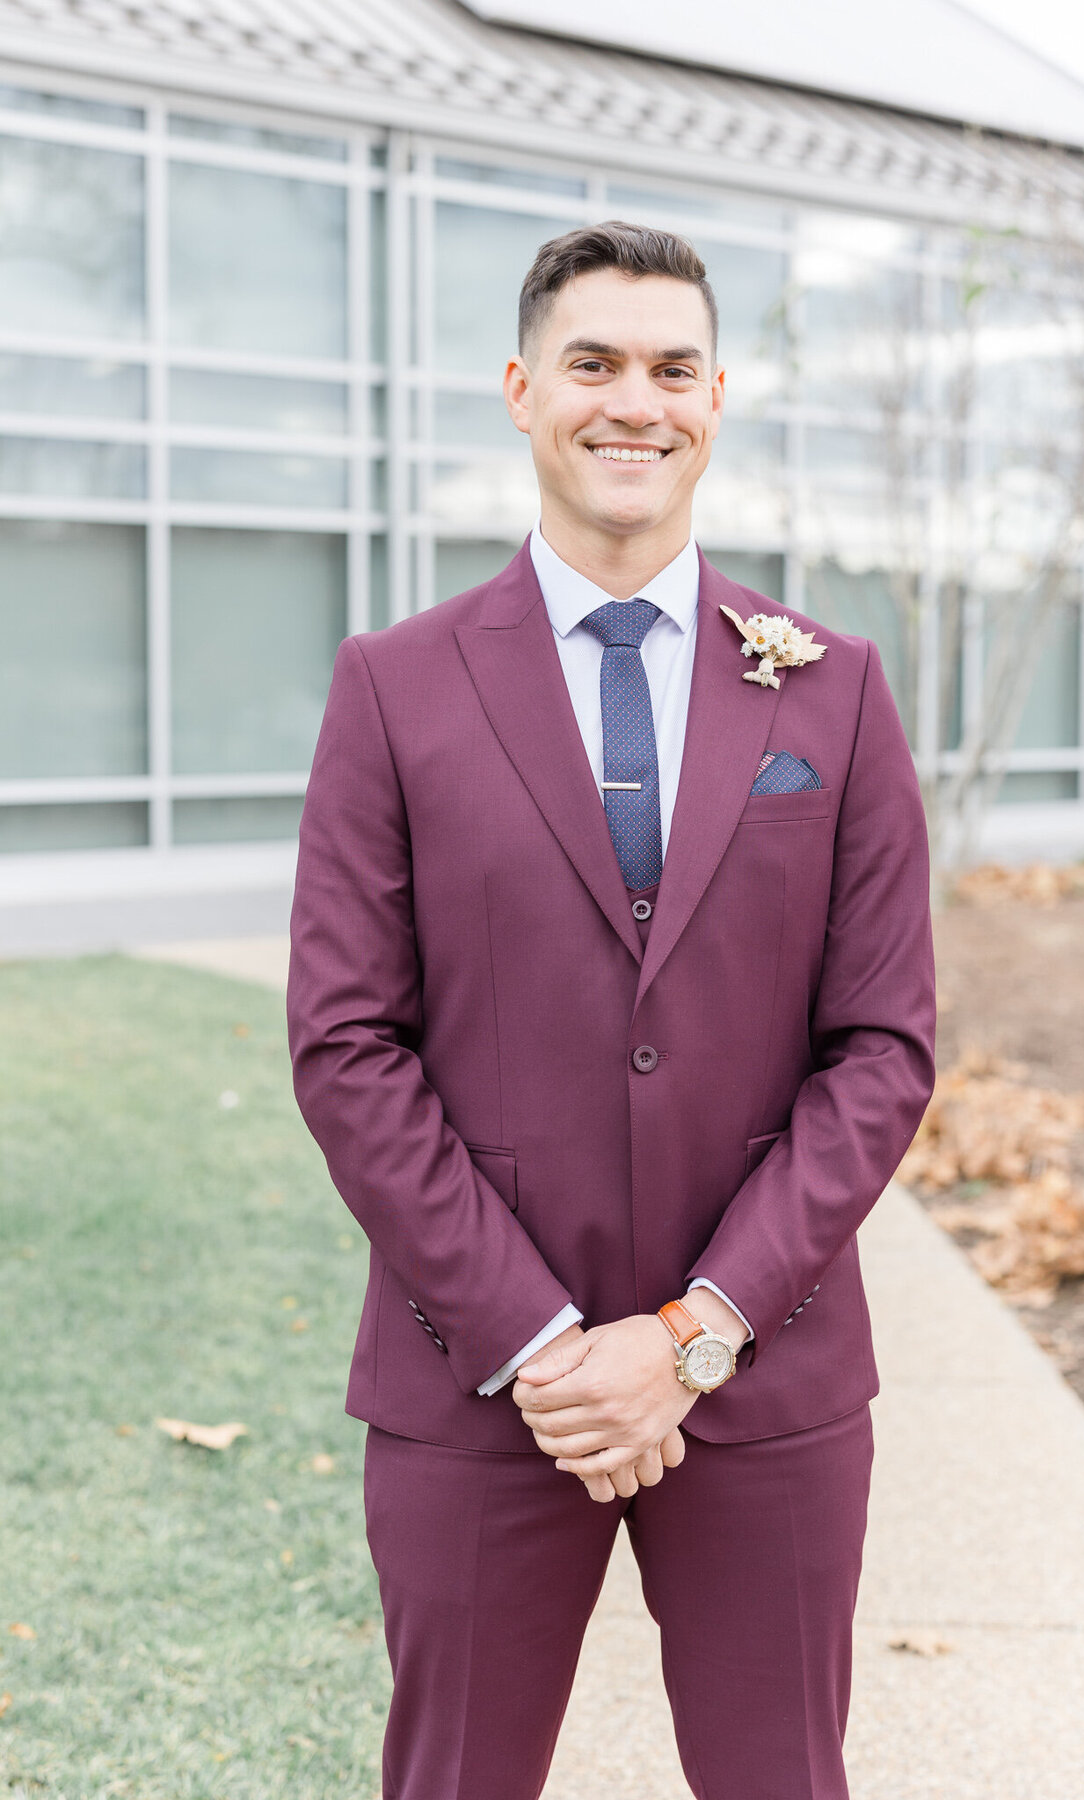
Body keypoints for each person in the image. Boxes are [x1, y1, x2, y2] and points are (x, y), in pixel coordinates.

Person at [287, 220, 936, 1800]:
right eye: (592, 364)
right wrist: (541, 1342)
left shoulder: (832, 688)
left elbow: (883, 1048)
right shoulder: (396, 684)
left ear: (717, 399)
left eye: (668, 369)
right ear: (521, 390)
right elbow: (346, 1047)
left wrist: (697, 1332)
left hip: (766, 1376)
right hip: (482, 1385)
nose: (630, 403)